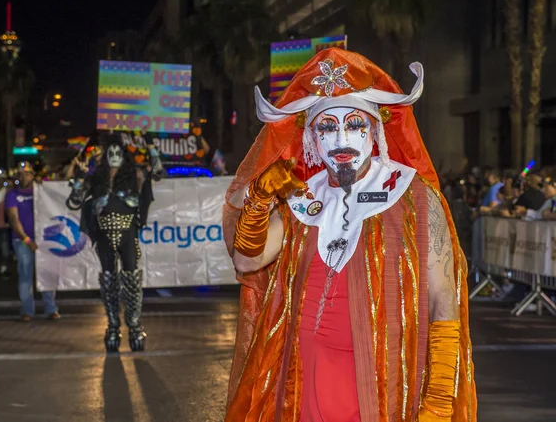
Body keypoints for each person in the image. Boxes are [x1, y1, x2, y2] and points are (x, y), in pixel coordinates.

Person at [223, 48, 476, 421]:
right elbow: (247, 260)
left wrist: (438, 401)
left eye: (355, 125)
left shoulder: (414, 195)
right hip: (302, 384)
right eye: (326, 127)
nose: (341, 139)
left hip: (382, 389)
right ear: (310, 138)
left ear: (375, 130)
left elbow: (443, 298)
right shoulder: (301, 198)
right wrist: (259, 200)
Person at [66, 133, 161, 352]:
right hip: (103, 236)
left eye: (118, 153)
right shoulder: (96, 179)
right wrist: (80, 178)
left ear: (124, 155)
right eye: (111, 153)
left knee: (131, 279)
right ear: (105, 156)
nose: (115, 156)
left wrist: (150, 146)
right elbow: (73, 202)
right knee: (109, 281)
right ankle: (112, 326)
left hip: (128, 234)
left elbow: (156, 172)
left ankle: (135, 326)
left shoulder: (134, 175)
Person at [6, 162, 60, 322]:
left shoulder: (41, 191)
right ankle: (27, 310)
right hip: (23, 241)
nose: (24, 177)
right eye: (21, 174)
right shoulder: (12, 195)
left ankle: (51, 309)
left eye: (28, 174)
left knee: (47, 274)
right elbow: (13, 219)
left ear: (33, 175)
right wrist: (27, 240)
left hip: (43, 240)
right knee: (25, 275)